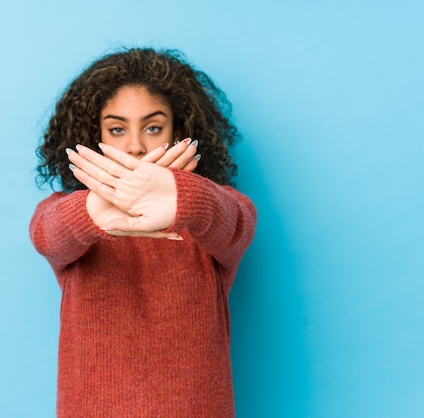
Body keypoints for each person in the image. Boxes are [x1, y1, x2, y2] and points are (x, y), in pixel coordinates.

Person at [30, 47, 257, 417]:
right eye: (116, 129)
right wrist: (96, 207)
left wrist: (187, 196)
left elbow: (237, 221)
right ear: (94, 134)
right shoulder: (68, 213)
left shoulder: (212, 213)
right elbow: (46, 234)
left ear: (180, 131)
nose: (135, 146)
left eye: (153, 127)